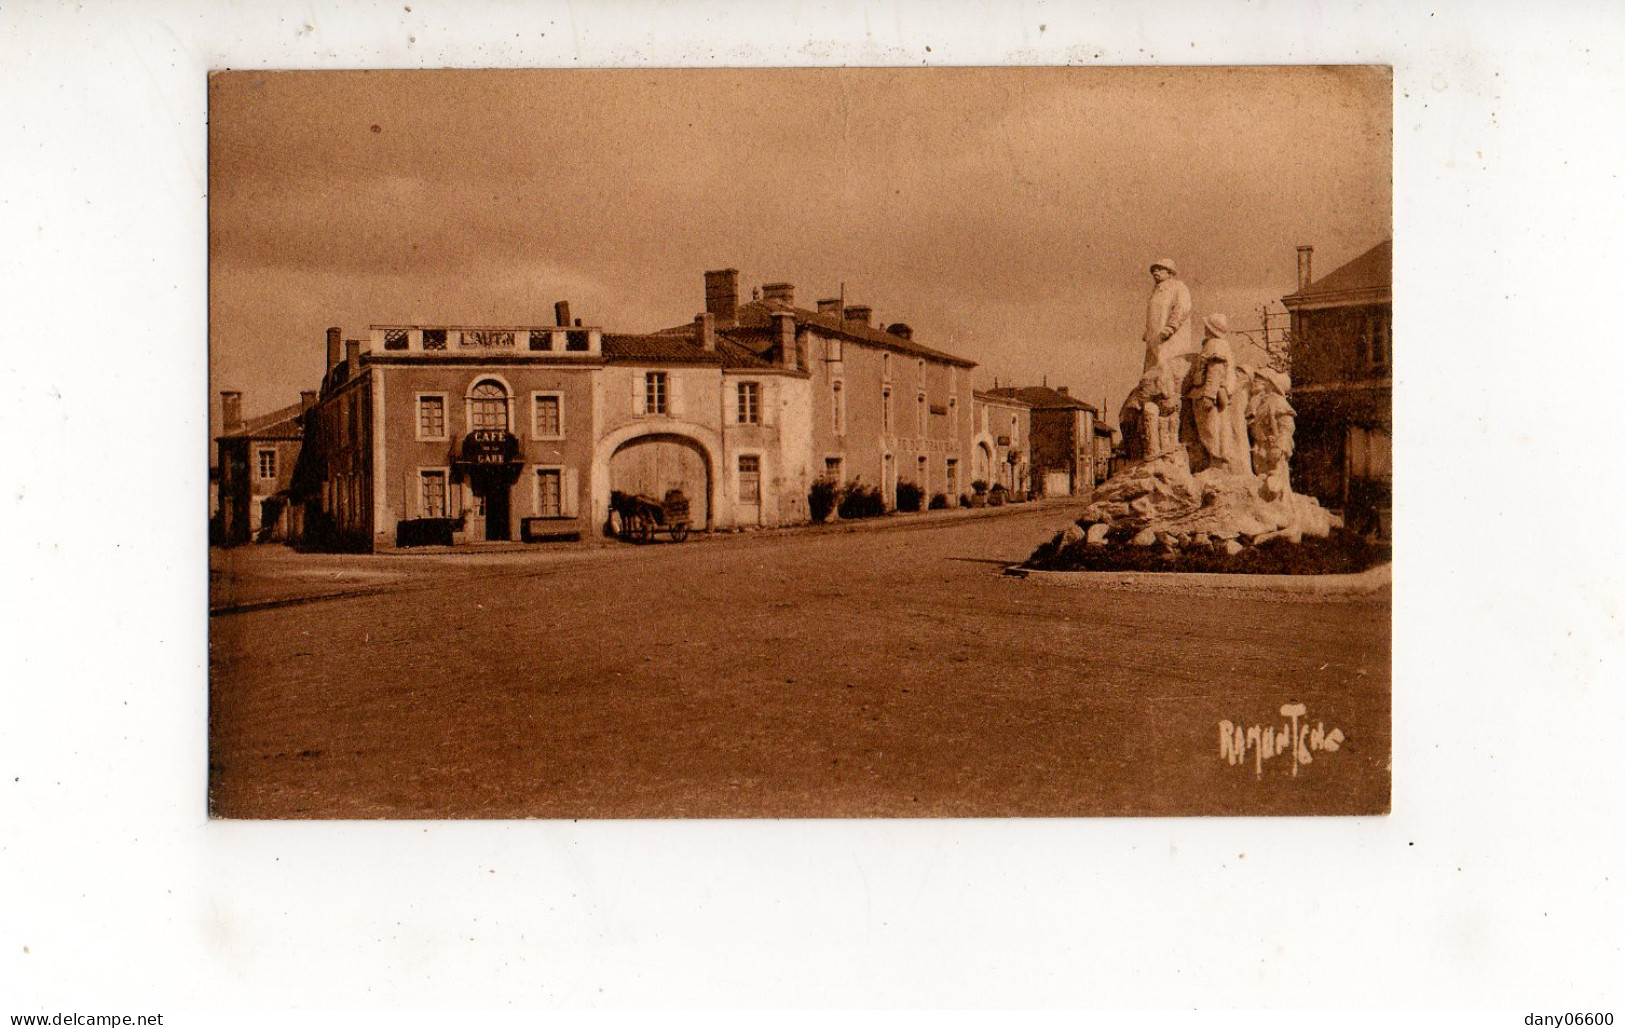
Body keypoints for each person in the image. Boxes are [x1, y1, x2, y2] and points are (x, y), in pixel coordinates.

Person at [1143, 258, 1193, 371]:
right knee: (1153, 370)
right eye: (1154, 270)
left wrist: (1171, 327)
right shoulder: (1156, 292)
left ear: (1170, 272)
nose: (1156, 272)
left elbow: (1182, 308)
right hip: (1154, 340)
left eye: (1160, 269)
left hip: (1170, 338)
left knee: (1167, 368)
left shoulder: (1178, 287)